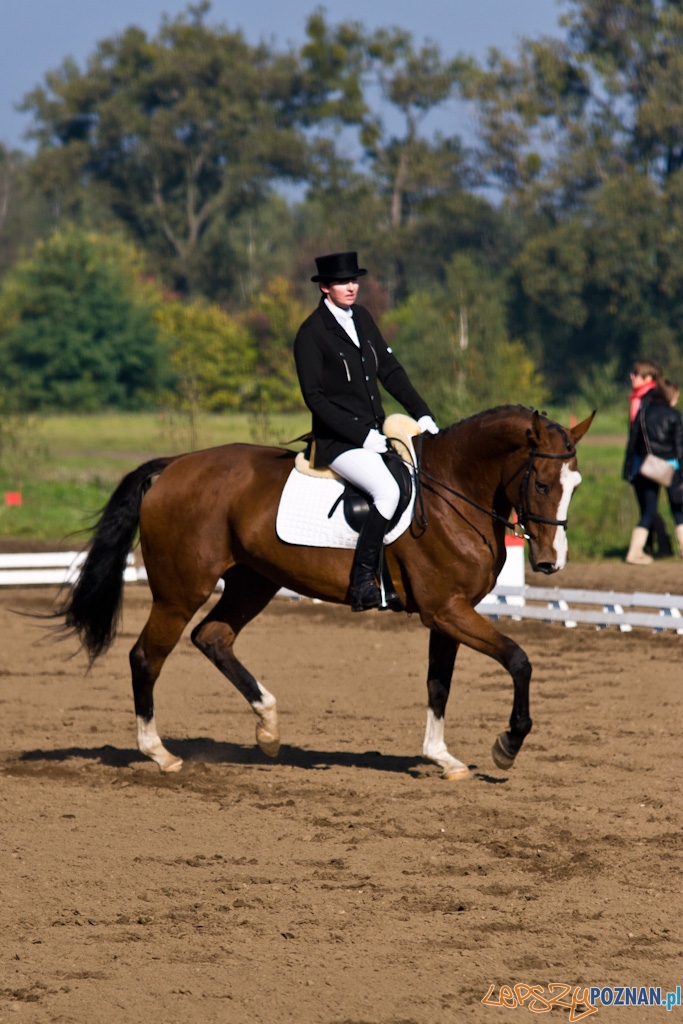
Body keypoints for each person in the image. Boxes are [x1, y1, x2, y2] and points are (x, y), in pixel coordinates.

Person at [293, 251, 438, 611]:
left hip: (376, 434)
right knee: (387, 491)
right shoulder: (311, 334)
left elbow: (390, 371)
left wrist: (422, 413)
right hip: (339, 441)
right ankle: (361, 583)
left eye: (354, 280)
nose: (351, 287)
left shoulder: (362, 318)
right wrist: (361, 437)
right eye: (343, 282)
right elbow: (315, 399)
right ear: (325, 287)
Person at [623, 372, 683, 564]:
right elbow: (679, 448)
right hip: (671, 467)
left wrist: (628, 467)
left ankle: (634, 552)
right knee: (678, 509)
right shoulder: (674, 415)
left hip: (648, 467)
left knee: (649, 511)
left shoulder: (643, 413)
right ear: (670, 396)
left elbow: (633, 443)